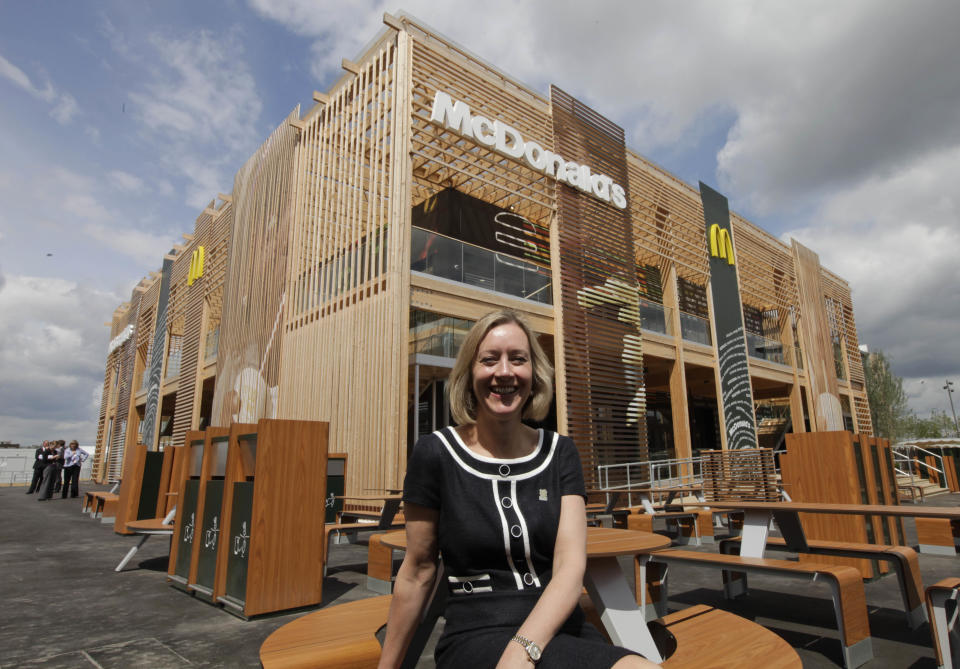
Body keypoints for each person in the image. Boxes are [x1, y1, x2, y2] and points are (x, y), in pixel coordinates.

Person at [378, 310, 655, 669]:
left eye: (518, 359)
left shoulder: (560, 453)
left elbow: (570, 566)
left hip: (559, 630)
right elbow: (417, 572)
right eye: (489, 359)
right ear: (469, 373)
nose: (505, 372)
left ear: (534, 373)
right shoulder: (435, 454)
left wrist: (524, 648)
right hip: (475, 636)